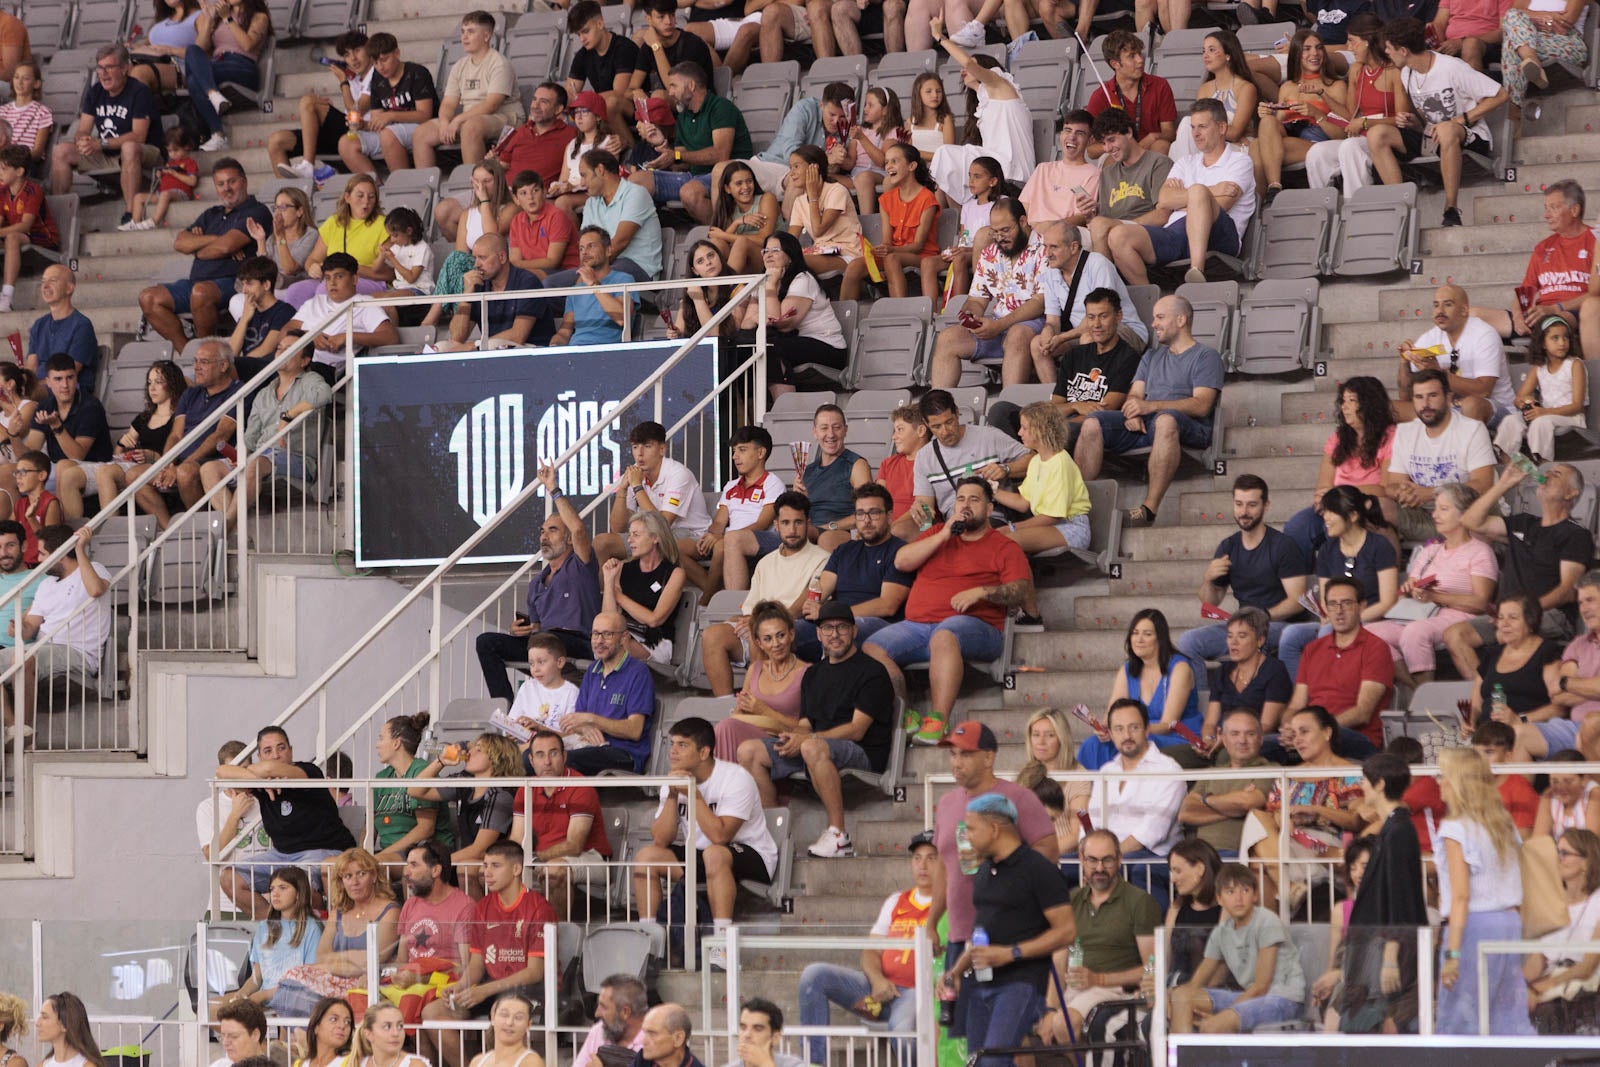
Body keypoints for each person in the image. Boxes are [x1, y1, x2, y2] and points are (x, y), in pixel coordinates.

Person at [865, 478, 1032, 746]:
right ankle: (906, 714)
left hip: (977, 628)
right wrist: (944, 534)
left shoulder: (1003, 546)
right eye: (961, 499)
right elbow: (901, 560)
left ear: (989, 509)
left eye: (974, 500)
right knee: (871, 648)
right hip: (918, 626)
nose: (965, 505)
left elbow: (1021, 590)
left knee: (945, 633)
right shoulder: (938, 534)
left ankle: (937, 721)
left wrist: (982, 592)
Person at [928, 721, 1060, 1040]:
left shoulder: (1018, 798)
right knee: (977, 1044)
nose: (956, 762)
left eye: (966, 754)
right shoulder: (946, 804)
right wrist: (932, 920)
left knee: (1005, 1041)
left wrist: (1011, 880)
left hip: (1008, 937)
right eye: (953, 755)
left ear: (989, 757)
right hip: (962, 936)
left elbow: (1048, 851)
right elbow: (945, 866)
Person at [739, 600, 895, 858]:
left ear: (854, 631)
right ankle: (767, 837)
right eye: (828, 628)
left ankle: (839, 835)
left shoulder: (872, 672)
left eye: (842, 627)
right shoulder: (814, 674)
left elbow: (857, 730)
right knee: (749, 751)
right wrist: (793, 737)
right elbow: (806, 723)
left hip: (863, 751)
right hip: (818, 746)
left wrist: (806, 739)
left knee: (811, 746)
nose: (835, 635)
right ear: (818, 634)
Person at [632, 717, 779, 967]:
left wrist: (694, 796)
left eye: (682, 745)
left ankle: (721, 946)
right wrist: (672, 796)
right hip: (702, 853)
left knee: (715, 853)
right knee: (646, 857)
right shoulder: (676, 779)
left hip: (752, 853)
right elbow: (661, 838)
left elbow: (721, 836)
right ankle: (650, 944)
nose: (673, 752)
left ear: (704, 752)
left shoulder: (735, 778)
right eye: (672, 744)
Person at [943, 792, 1076, 1066]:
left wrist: (1010, 954)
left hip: (1021, 982)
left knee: (993, 1062)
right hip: (980, 980)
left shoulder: (1038, 869)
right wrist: (956, 971)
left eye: (970, 828)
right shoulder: (984, 872)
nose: (966, 836)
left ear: (994, 829)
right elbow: (980, 933)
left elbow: (1066, 931)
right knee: (977, 1061)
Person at [1073, 294, 1225, 527]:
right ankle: (1075, 508)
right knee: (1093, 421)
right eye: (1154, 318)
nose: (1153, 324)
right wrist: (1133, 411)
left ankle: (1148, 510)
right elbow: (1135, 395)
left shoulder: (1206, 356)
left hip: (1187, 426)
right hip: (1147, 423)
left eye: (1160, 317)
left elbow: (1201, 404)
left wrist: (1151, 406)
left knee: (1166, 420)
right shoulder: (1151, 356)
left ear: (1181, 320)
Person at [797, 829, 936, 1065]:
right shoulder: (896, 901)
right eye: (917, 858)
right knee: (814, 976)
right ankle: (813, 1063)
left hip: (919, 993)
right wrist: (877, 978)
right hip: (879, 989)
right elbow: (871, 950)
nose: (922, 865)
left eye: (932, 858)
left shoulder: (951, 905)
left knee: (902, 1032)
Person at [1448, 462, 1591, 684]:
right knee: (1455, 635)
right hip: (1508, 615)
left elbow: (1568, 591)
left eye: (1557, 474)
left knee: (1509, 631)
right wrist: (1504, 483)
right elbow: (1470, 521)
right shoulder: (1524, 523)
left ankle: (1505, 695)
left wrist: (1525, 612)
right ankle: (1486, 693)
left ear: (1572, 492)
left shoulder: (1575, 534)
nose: (1547, 475)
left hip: (1550, 614)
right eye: (1547, 472)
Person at [474, 459, 598, 701]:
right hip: (545, 642)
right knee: (486, 642)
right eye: (542, 531)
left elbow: (580, 529)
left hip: (578, 642)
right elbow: (539, 630)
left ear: (569, 539)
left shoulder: (581, 565)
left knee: (549, 639)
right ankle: (506, 709)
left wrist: (553, 488)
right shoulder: (536, 583)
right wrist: (521, 632)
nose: (544, 536)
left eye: (552, 530)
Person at [422, 843, 555, 1067]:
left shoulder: (538, 908)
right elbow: (476, 964)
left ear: (516, 869)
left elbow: (535, 972)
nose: (486, 872)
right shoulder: (483, 907)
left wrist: (485, 990)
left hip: (529, 993)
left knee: (501, 1014)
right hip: (490, 989)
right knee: (431, 1013)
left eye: (495, 865)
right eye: (484, 866)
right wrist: (462, 986)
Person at [1370, 18, 1507, 227]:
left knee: (1446, 130)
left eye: (1389, 48)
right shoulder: (1406, 73)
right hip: (1435, 136)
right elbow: (1429, 120)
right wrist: (1414, 122)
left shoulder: (1452, 67)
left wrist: (1462, 119)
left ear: (1404, 50)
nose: (1387, 53)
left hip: (1471, 135)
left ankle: (1451, 209)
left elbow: (1500, 95)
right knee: (1377, 134)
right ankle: (1401, 213)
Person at [1434, 748, 1534, 1034]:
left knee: (1462, 1019)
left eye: (1443, 775)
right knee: (1505, 1015)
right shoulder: (1503, 825)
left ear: (1457, 781)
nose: (1438, 781)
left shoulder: (1455, 828)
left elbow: (1461, 895)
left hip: (1472, 926)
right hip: (1508, 923)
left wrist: (1452, 955)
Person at [1108, 99, 1256, 288]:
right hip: (1176, 231)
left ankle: (1196, 271)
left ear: (1221, 128)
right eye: (1193, 127)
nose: (1195, 133)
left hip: (1220, 234)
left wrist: (1190, 198)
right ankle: (1148, 297)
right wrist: (1212, 191)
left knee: (1197, 191)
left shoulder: (1240, 161)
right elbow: (1163, 200)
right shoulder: (1185, 162)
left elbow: (1222, 205)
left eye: (1202, 126)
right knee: (1118, 235)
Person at [1366, 483, 1498, 686]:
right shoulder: (1429, 550)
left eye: (1443, 509)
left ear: (1465, 513)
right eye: (1435, 508)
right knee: (1369, 634)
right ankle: (1414, 689)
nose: (1435, 515)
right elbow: (1410, 587)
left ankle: (1425, 691)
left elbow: (1480, 602)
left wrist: (1435, 596)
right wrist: (1411, 589)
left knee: (1415, 632)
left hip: (1461, 616)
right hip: (1422, 614)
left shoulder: (1480, 551)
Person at [1037, 830, 1160, 1043]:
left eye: (1107, 860)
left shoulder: (1140, 902)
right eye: (1092, 860)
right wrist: (1050, 1008)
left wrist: (1099, 979)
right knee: (1026, 1021)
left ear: (1120, 860)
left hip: (1116, 991)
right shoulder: (1072, 899)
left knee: (1064, 1023)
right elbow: (1058, 960)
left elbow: (1152, 966)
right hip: (1075, 988)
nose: (1100, 868)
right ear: (1081, 859)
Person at [136, 158, 273, 350]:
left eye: (232, 181)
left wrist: (198, 249)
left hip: (234, 282)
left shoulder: (257, 211)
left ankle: (208, 352)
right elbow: (180, 243)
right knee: (148, 297)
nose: (227, 188)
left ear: (244, 181)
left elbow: (226, 246)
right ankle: (188, 353)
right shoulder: (211, 214)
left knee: (200, 293)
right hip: (195, 283)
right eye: (221, 184)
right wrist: (216, 240)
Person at [213, 725, 357, 906]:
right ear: (259, 757)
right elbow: (222, 772)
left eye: (281, 748)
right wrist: (260, 781)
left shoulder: (308, 771)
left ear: (291, 751)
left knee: (292, 885)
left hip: (324, 851)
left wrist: (264, 774)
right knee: (229, 879)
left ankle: (317, 910)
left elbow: (269, 768)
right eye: (268, 750)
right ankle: (275, 929)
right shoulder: (261, 784)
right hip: (282, 855)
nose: (275, 755)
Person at [1179, 475, 1310, 673]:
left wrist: (1261, 617)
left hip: (1278, 625)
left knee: (1249, 639)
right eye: (1239, 504)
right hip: (1241, 628)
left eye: (1251, 505)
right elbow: (1210, 603)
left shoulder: (1283, 546)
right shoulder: (1228, 546)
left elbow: (1297, 601)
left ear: (1265, 506)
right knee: (1188, 641)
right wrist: (1208, 580)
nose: (1244, 512)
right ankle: (1199, 702)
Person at [702, 495, 829, 693]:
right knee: (711, 635)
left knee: (762, 633)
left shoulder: (823, 559)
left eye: (798, 522)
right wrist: (749, 619)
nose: (792, 530)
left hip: (797, 627)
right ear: (776, 525)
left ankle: (759, 702)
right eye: (786, 523)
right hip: (762, 625)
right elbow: (750, 609)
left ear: (808, 524)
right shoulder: (766, 562)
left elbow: (801, 606)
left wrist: (758, 622)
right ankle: (727, 706)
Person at [200, 339, 332, 528]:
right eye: (279, 347)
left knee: (254, 464)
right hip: (260, 457)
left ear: (304, 361)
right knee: (208, 469)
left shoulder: (309, 380)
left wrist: (288, 416)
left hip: (296, 457)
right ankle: (235, 531)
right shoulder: (264, 393)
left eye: (290, 349)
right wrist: (239, 454)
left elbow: (325, 393)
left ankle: (225, 527)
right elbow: (250, 437)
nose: (281, 352)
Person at [1244, 706, 1364, 912]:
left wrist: (1316, 810)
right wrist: (1281, 816)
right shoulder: (1287, 775)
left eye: (1305, 731)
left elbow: (1355, 820)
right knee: (1257, 818)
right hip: (1285, 840)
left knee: (1257, 864)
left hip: (1324, 846)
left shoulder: (1350, 773)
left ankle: (1280, 913)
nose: (1297, 739)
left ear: (1327, 732)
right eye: (1294, 734)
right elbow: (1272, 812)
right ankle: (1289, 890)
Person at [1339, 753, 1428, 1033]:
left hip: (1385, 948)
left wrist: (1390, 957)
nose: (1361, 787)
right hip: (1376, 945)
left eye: (1364, 781)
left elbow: (1400, 898)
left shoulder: (1399, 830)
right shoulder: (1392, 827)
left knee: (1374, 1026)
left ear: (1379, 785)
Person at [1170, 863, 1308, 1032]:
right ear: (1220, 899)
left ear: (1255, 895)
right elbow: (1196, 983)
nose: (1238, 898)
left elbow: (1261, 987)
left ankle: (1198, 1055)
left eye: (1245, 890)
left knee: (1213, 1025)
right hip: (1250, 998)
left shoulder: (1267, 921)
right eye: (1230, 892)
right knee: (1181, 997)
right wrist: (1172, 1000)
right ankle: (1182, 1056)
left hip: (1282, 999)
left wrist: (1224, 1014)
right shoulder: (1221, 931)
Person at [928, 197, 1046, 391]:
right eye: (995, 231)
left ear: (1023, 222)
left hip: (1035, 324)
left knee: (1017, 334)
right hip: (998, 325)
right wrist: (971, 314)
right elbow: (977, 298)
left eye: (1006, 230)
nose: (1000, 238)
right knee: (947, 338)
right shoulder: (990, 253)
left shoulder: (1044, 249)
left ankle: (1008, 408)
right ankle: (936, 409)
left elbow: (1039, 303)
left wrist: (999, 325)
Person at [8, 525, 113, 736]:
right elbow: (28, 629)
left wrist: (80, 550)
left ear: (61, 554)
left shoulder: (95, 568)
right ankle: (15, 729)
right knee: (23, 656)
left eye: (43, 554)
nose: (38, 559)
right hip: (43, 648)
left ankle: (24, 731)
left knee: (24, 658)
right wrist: (18, 628)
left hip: (78, 652)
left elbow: (96, 590)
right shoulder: (46, 584)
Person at [269, 851, 399, 1017]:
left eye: (361, 874)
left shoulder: (391, 910)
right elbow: (322, 956)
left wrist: (338, 960)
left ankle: (302, 1038)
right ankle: (298, 1038)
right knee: (291, 978)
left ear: (374, 876)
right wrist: (353, 959)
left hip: (369, 982)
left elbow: (374, 959)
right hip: (335, 979)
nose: (355, 882)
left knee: (301, 995)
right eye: (347, 876)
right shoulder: (338, 911)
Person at [1087, 699, 1186, 908]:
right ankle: (1077, 938)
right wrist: (1093, 855)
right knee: (1062, 866)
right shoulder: (1106, 771)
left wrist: (1106, 858)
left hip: (1154, 855)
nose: (1127, 736)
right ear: (1111, 734)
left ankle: (1155, 940)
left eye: (1134, 727)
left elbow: (1153, 831)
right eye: (1119, 729)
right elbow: (1093, 820)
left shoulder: (1168, 770)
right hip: (1108, 855)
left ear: (1147, 729)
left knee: (1137, 870)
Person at [1279, 577, 1393, 755]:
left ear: (1361, 606)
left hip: (1355, 737)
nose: (1339, 611)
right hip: (1314, 733)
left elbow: (1362, 712)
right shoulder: (1312, 649)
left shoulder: (1376, 648)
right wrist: (1290, 727)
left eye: (1346, 603)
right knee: (1262, 746)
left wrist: (1317, 731)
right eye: (1332, 604)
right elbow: (1295, 706)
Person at [50, 44, 161, 225]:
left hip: (147, 152)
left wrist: (101, 143)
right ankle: (56, 216)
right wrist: (83, 140)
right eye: (100, 67)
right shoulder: (96, 91)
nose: (103, 73)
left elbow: (139, 136)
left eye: (109, 67)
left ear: (125, 69)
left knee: (129, 147)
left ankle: (131, 214)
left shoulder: (140, 92)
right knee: (61, 151)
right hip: (109, 153)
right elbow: (83, 128)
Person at [926, 21, 1035, 205]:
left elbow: (967, 62)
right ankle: (963, 221)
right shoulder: (984, 99)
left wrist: (940, 36)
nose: (964, 70)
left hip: (1012, 169)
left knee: (946, 155)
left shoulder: (1002, 85)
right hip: (994, 165)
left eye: (972, 68)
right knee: (946, 169)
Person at [1080, 609, 1203, 770]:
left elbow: (1168, 724)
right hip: (1136, 734)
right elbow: (1112, 714)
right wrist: (1105, 728)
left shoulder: (1180, 667)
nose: (1139, 639)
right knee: (1093, 744)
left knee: (1134, 744)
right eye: (1135, 633)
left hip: (1175, 737)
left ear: (1160, 638)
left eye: (1147, 634)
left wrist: (1128, 731)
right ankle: (1093, 794)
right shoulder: (1127, 670)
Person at [1384, 369, 1497, 542]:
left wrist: (1431, 493)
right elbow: (1391, 485)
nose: (1425, 404)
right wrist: (1403, 492)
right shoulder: (1405, 432)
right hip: (1424, 516)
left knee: (1476, 516)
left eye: (1433, 395)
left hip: (1464, 516)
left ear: (1448, 397)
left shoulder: (1472, 429)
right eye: (1419, 397)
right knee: (1377, 506)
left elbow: (1483, 485)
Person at [631, 62, 752, 223]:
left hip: (725, 175)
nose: (670, 92)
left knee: (689, 192)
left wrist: (676, 154)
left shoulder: (720, 107)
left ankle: (723, 236)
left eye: (674, 86)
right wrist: (663, 146)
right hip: (694, 176)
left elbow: (721, 154)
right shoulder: (684, 116)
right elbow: (680, 162)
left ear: (692, 85)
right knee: (635, 181)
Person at [733, 230, 849, 395]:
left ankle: (785, 407)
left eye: (775, 250)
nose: (768, 255)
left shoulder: (803, 279)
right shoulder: (762, 280)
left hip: (827, 347)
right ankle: (753, 412)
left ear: (790, 255)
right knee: (742, 346)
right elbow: (746, 325)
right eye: (765, 251)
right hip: (791, 342)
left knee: (770, 346)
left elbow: (783, 325)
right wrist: (759, 316)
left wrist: (771, 287)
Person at [513, 729, 612, 914]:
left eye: (554, 753)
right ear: (531, 761)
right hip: (540, 859)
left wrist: (534, 859)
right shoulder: (524, 789)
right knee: (490, 870)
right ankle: (507, 937)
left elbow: (574, 846)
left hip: (589, 857)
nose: (547, 762)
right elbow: (517, 838)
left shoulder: (580, 786)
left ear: (564, 756)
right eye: (540, 755)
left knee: (554, 870)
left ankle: (555, 938)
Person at [413, 12, 523, 170]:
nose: (464, 37)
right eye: (463, 31)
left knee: (470, 127)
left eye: (471, 32)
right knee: (421, 133)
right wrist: (444, 123)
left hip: (507, 117)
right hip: (471, 118)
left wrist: (457, 121)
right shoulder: (459, 65)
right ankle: (425, 186)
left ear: (486, 36)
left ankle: (475, 186)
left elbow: (491, 105)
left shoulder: (499, 63)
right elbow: (449, 103)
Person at [1251, 31, 1350, 204]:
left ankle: (1260, 203)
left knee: (1257, 147)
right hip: (1288, 137)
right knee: (1266, 124)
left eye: (1319, 48)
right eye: (1307, 49)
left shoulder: (1335, 86)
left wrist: (1316, 113)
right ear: (1296, 54)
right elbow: (1278, 124)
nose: (1315, 53)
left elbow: (1344, 131)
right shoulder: (1287, 86)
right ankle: (1272, 189)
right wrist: (1268, 112)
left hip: (1317, 141)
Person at [597, 421, 712, 567]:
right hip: (652, 535)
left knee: (649, 541)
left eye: (647, 446)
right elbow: (617, 528)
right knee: (602, 543)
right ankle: (606, 590)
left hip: (692, 534)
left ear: (662, 449)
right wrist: (623, 489)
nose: (639, 453)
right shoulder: (636, 474)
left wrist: (638, 487)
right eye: (635, 447)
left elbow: (662, 525)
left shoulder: (678, 474)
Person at [1396, 285, 1514, 427]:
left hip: (1494, 409)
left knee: (1471, 404)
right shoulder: (1429, 338)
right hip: (1446, 408)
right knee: (1387, 408)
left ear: (1464, 310)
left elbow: (1483, 391)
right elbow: (1406, 396)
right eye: (1436, 305)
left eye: (1448, 305)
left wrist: (1438, 373)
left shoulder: (1484, 335)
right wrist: (1404, 361)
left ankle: (1459, 448)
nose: (1440, 311)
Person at [1524, 828, 1600, 1033]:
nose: (1558, 859)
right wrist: (1522, 986)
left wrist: (1543, 986)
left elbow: (1587, 967)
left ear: (1586, 861)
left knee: (1549, 1011)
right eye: (1556, 852)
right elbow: (1537, 962)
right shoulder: (1551, 903)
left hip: (1584, 988)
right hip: (1551, 985)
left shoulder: (1598, 901)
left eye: (1564, 853)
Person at [271, 29, 370, 184]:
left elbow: (355, 112)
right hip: (345, 134)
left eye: (357, 51)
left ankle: (307, 166)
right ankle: (292, 200)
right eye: (347, 55)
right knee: (276, 141)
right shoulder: (354, 77)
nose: (353, 59)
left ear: (369, 50)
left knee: (309, 102)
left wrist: (343, 81)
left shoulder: (375, 74)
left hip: (361, 134)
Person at [567, 610, 657, 774]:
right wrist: (586, 728)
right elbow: (578, 722)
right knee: (533, 757)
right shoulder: (592, 670)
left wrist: (592, 720)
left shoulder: (638, 672)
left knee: (563, 759)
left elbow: (634, 730)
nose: (599, 641)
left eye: (607, 634)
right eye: (595, 634)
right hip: (589, 746)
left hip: (624, 752)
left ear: (624, 638)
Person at [220, 866, 320, 1010]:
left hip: (295, 1000)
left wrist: (263, 996)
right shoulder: (264, 927)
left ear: (299, 893)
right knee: (211, 1008)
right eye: (272, 889)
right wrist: (241, 994)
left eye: (283, 888)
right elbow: (257, 976)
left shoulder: (311, 928)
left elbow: (309, 979)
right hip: (262, 999)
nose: (275, 894)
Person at [1469, 594, 1565, 744]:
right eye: (1501, 618)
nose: (1504, 624)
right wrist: (1469, 720)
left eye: (1513, 618)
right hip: (1486, 735)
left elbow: (1559, 708)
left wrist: (1519, 719)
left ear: (1531, 621)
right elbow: (1476, 704)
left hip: (1525, 734)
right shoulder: (1492, 654)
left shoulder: (1547, 652)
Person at [339, 34, 438, 175]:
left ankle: (403, 187)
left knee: (388, 134)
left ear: (397, 53)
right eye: (375, 63)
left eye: (384, 60)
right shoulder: (377, 79)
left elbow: (425, 115)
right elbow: (377, 120)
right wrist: (363, 125)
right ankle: (375, 189)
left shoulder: (416, 73)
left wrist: (391, 116)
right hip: (390, 131)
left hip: (422, 128)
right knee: (346, 143)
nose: (380, 67)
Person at [1181, 707, 1275, 857]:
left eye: (1250, 734)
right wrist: (1235, 811)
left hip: (1240, 855)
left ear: (1261, 738)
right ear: (1223, 738)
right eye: (1235, 734)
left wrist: (1206, 800)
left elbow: (1248, 802)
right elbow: (1186, 812)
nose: (1242, 740)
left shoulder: (1270, 769)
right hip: (1201, 855)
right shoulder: (1212, 773)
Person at [181, 0, 271, 152]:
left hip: (243, 66)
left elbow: (247, 45)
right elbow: (200, 49)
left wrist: (228, 18)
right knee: (192, 60)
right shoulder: (219, 17)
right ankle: (215, 101)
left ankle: (217, 129)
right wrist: (209, 19)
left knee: (193, 79)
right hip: (218, 64)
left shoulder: (259, 17)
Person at [602, 511, 686, 667]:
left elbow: (655, 619)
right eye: (629, 535)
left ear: (655, 538)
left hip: (656, 640)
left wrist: (619, 597)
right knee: (606, 640)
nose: (629, 540)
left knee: (616, 647)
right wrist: (608, 581)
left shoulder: (674, 573)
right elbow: (608, 617)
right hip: (624, 634)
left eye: (636, 535)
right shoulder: (623, 569)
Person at [1499, 316, 1589, 461]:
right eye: (1555, 338)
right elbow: (1519, 398)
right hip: (1545, 415)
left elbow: (1578, 406)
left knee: (1542, 422)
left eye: (1565, 337)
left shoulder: (1574, 364)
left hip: (1571, 418)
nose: (1562, 343)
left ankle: (1543, 465)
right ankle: (1512, 466)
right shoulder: (1539, 367)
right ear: (1543, 343)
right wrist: (1527, 402)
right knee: (1511, 421)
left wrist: (1544, 412)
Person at [1204, 608, 1295, 743]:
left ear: (1260, 640)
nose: (1233, 642)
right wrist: (1208, 740)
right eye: (1230, 636)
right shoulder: (1222, 672)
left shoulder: (1275, 670)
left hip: (1256, 742)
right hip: (1223, 740)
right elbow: (1210, 723)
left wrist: (1227, 741)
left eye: (1241, 636)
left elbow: (1267, 725)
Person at [1084, 31, 1179, 155]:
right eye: (1132, 56)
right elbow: (1091, 150)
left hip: (1151, 150)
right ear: (1115, 64)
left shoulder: (1160, 85)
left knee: (1161, 145)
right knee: (1111, 159)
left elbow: (1169, 132)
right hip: (1118, 155)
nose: (1140, 60)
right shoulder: (1100, 96)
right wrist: (1115, 145)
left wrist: (1153, 137)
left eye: (1140, 54)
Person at [372, 715, 450, 864]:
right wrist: (363, 853)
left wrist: (377, 857)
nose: (377, 745)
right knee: (333, 865)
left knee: (370, 867)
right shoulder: (381, 777)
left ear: (396, 743)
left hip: (422, 852)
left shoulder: (421, 771)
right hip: (385, 855)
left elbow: (425, 829)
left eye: (381, 738)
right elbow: (368, 826)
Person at [553, 227, 638, 348]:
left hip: (608, 353)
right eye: (581, 248)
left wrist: (593, 284)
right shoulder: (575, 290)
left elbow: (622, 318)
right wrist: (554, 345)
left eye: (591, 246)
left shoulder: (623, 279)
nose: (584, 252)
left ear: (608, 250)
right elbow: (564, 332)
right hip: (575, 352)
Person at [396, 841, 473, 973]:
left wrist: (422, 979)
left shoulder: (465, 907)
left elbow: (467, 968)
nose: (406, 872)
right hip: (409, 985)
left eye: (413, 865)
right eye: (407, 865)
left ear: (435, 870)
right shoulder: (410, 904)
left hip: (444, 988)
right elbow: (401, 961)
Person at [1549, 573, 1600, 764]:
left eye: (1590, 600)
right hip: (1573, 725)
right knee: (1520, 733)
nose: (1584, 609)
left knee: (1592, 724)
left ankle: (1592, 791)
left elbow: (1564, 684)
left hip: (1593, 724)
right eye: (1580, 603)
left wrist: (1568, 683)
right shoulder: (1578, 644)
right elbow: (1558, 694)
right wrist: (1591, 687)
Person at [1502, 0, 1590, 110]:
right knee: (1512, 16)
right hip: (1533, 39)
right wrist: (1549, 17)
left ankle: (1514, 110)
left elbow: (1565, 23)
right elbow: (1512, 14)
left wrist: (1529, 19)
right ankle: (1531, 58)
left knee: (1514, 44)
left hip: (1568, 43)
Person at [0, 144, 54, 313]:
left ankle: (7, 297)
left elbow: (25, 225)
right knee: (11, 237)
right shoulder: (2, 192)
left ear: (19, 171)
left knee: (13, 237)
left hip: (42, 236)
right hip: (16, 235)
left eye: (3, 169)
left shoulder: (33, 190)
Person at [226, 255, 298, 381]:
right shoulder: (248, 312)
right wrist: (244, 319)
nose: (244, 290)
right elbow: (231, 353)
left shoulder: (284, 311)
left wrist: (238, 365)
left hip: (269, 373)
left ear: (266, 285)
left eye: (249, 284)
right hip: (248, 370)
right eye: (243, 284)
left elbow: (267, 349)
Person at [23, 266, 98, 381]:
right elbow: (31, 369)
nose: (45, 286)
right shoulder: (39, 324)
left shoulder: (82, 326)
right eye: (43, 281)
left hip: (68, 394)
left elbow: (66, 377)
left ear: (69, 288)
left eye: (52, 281)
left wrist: (34, 390)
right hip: (39, 391)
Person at [1471, 720, 1545, 831]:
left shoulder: (1520, 790)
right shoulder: (1470, 785)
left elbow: (1524, 839)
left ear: (1508, 756)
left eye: (1489, 752)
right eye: (1476, 753)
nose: (1481, 759)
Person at [572, 974, 648, 1067]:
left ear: (625, 1012)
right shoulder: (599, 1030)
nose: (597, 1013)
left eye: (604, 1007)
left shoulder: (656, 1040)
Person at [461, 994, 544, 1067]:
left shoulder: (531, 1062)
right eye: (504, 1015)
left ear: (528, 1024)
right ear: (493, 1018)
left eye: (518, 1017)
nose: (509, 1023)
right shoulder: (477, 1061)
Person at [1533, 750, 1600, 837]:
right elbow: (1537, 840)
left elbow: (1591, 842)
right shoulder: (1549, 796)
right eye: (1555, 781)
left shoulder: (1595, 795)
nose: (1561, 788)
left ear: (1584, 779)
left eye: (1568, 781)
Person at [0, 61, 53, 164]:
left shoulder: (43, 112)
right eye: (16, 77)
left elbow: (37, 152)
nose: (19, 82)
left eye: (26, 78)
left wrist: (15, 158)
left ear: (36, 84)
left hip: (23, 164)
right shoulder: (2, 110)